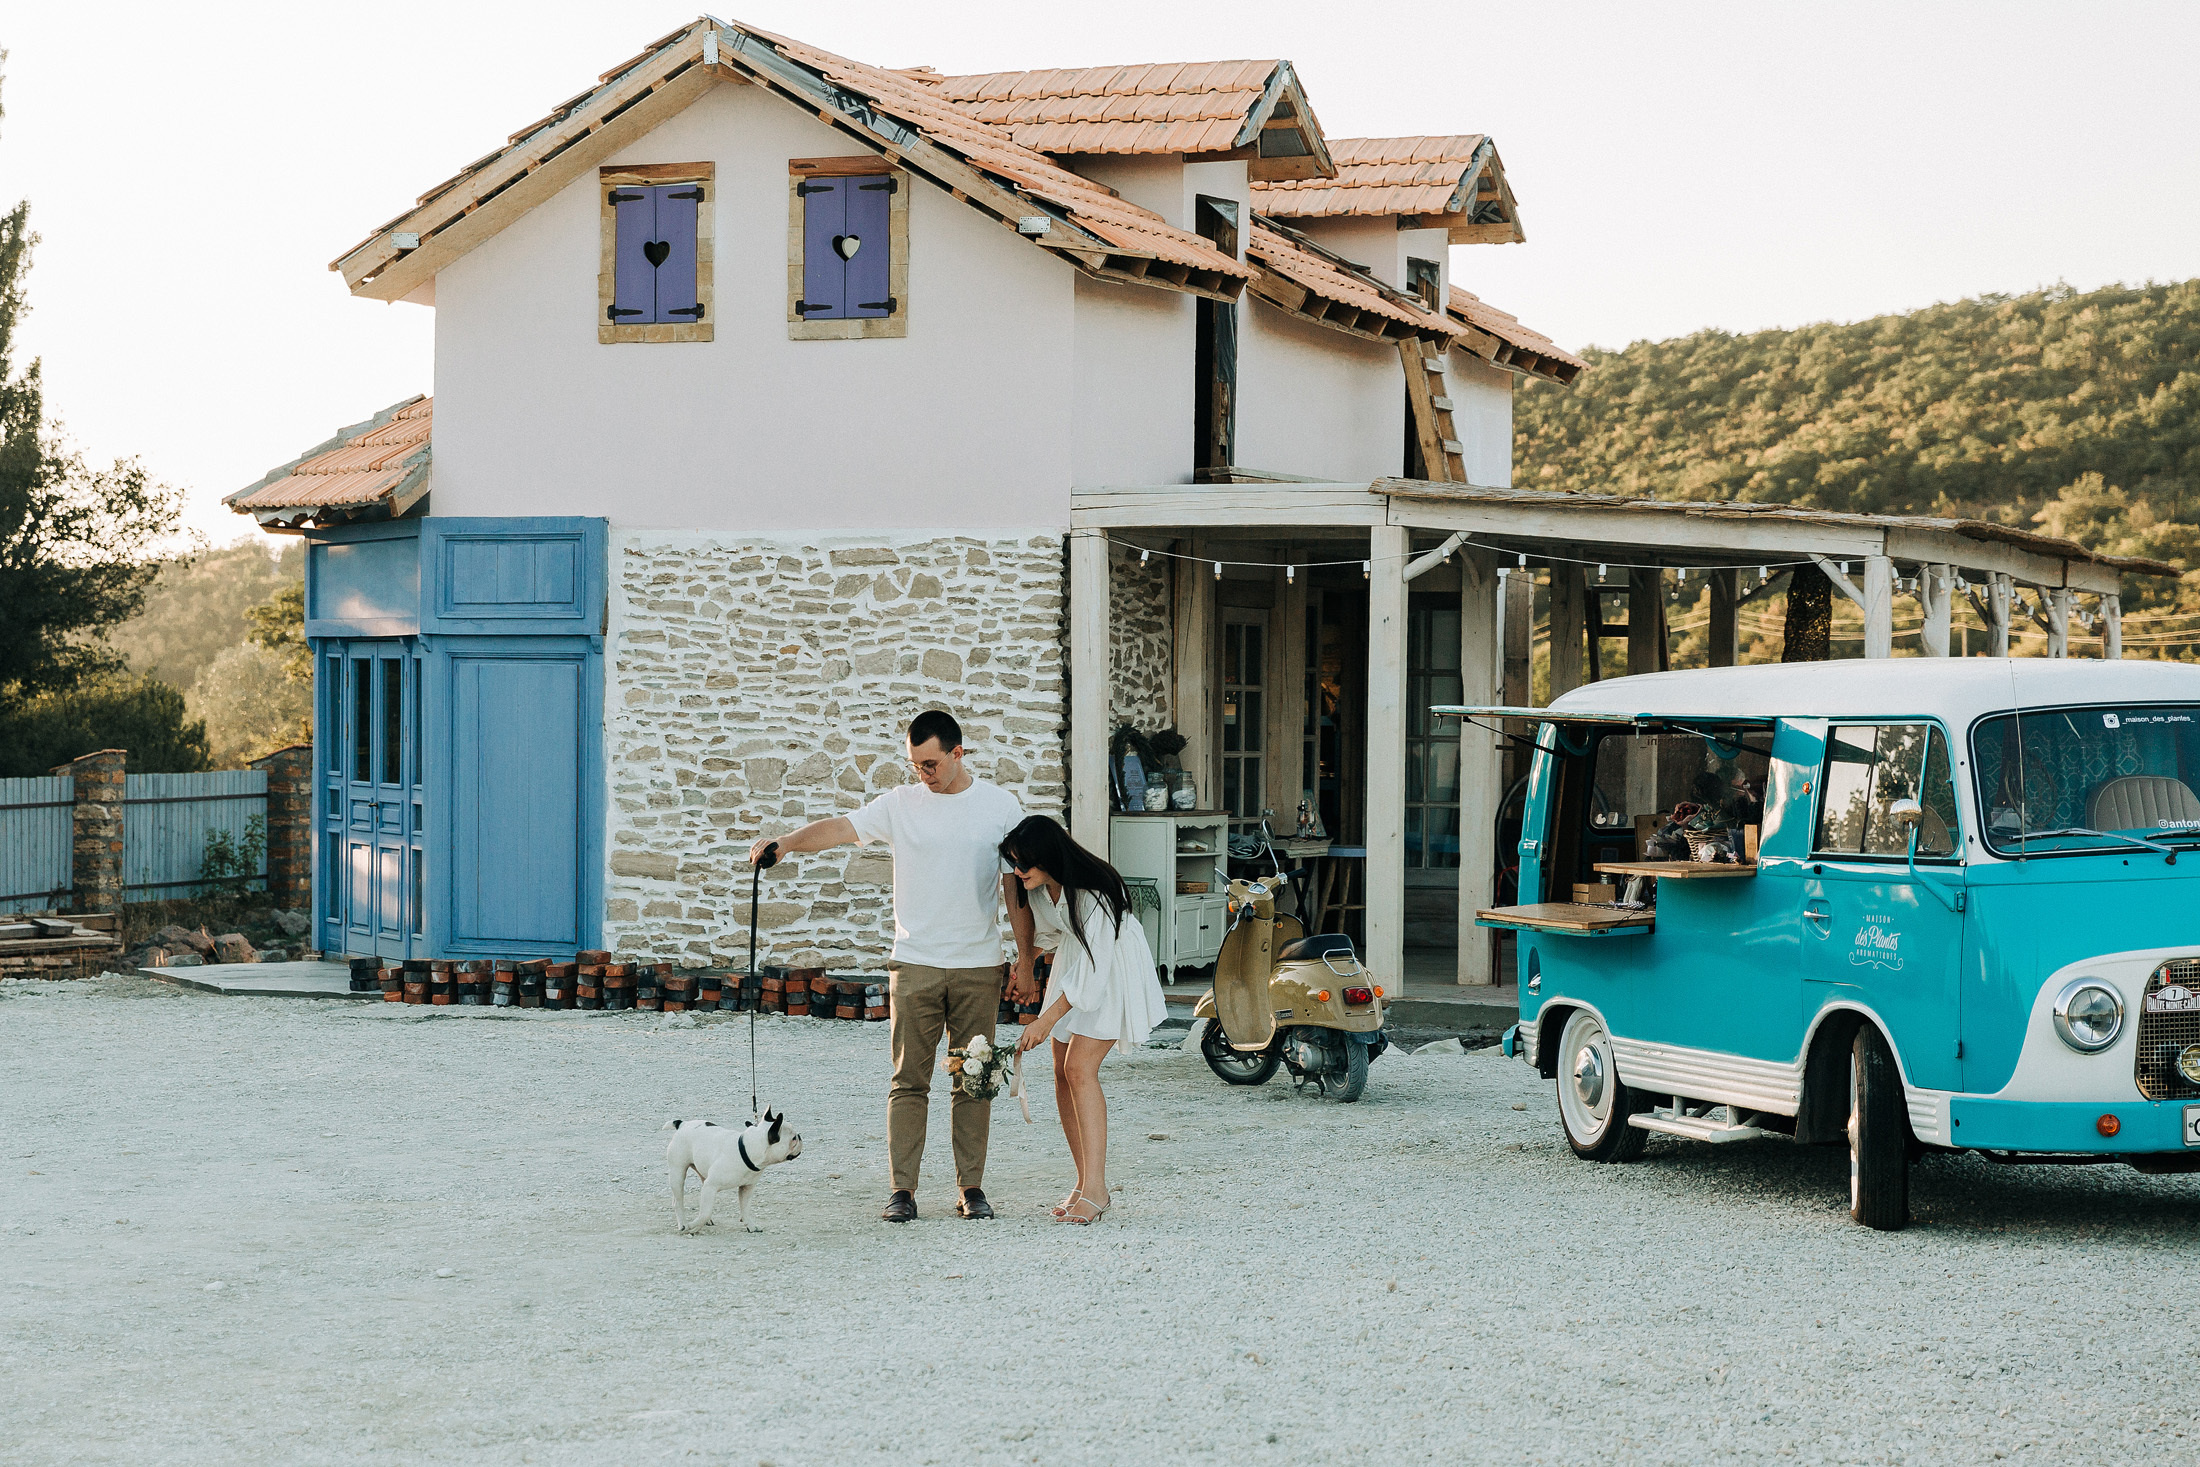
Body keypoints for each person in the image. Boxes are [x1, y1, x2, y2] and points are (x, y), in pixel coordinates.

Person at [749, 709, 1038, 1223]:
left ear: (957, 753)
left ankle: (971, 1189)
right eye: (914, 765)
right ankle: (901, 1191)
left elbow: (1015, 888)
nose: (922, 774)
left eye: (930, 764)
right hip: (914, 964)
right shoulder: (900, 804)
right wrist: (787, 842)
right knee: (909, 1081)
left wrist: (1027, 961)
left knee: (975, 1079)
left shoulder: (999, 806)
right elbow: (841, 828)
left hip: (978, 964)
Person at [1002, 815, 1167, 1226]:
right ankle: (1082, 1181)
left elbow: (1093, 974)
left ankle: (1097, 1188)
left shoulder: (1094, 894)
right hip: (1076, 960)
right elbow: (1054, 935)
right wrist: (1024, 963)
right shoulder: (1042, 888)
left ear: (1049, 858)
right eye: (1014, 864)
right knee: (1060, 1070)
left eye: (1025, 864)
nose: (1018, 872)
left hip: (1110, 968)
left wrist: (1043, 1021)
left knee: (1079, 1068)